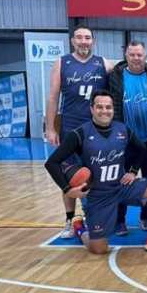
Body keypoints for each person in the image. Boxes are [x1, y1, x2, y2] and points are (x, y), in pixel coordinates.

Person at [44, 90, 147, 254]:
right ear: (92, 109)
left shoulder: (122, 129)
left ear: (113, 109)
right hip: (99, 197)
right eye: (99, 107)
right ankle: (80, 229)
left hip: (122, 187)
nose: (104, 111)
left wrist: (133, 171)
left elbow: (141, 149)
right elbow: (52, 163)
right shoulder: (79, 134)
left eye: (108, 107)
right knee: (98, 249)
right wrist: (67, 189)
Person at [45, 25, 113, 239]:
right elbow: (53, 98)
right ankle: (69, 219)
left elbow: (126, 72)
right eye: (80, 38)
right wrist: (50, 127)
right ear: (73, 41)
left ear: (93, 41)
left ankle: (95, 214)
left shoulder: (103, 64)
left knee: (96, 173)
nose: (84, 41)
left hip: (97, 129)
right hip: (70, 128)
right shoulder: (62, 63)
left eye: (88, 38)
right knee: (69, 173)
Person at [109, 41, 147, 235]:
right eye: (132, 54)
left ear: (145, 56)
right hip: (124, 142)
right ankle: (119, 221)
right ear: (126, 56)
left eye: (139, 55)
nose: (136, 58)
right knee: (120, 181)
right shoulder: (116, 76)